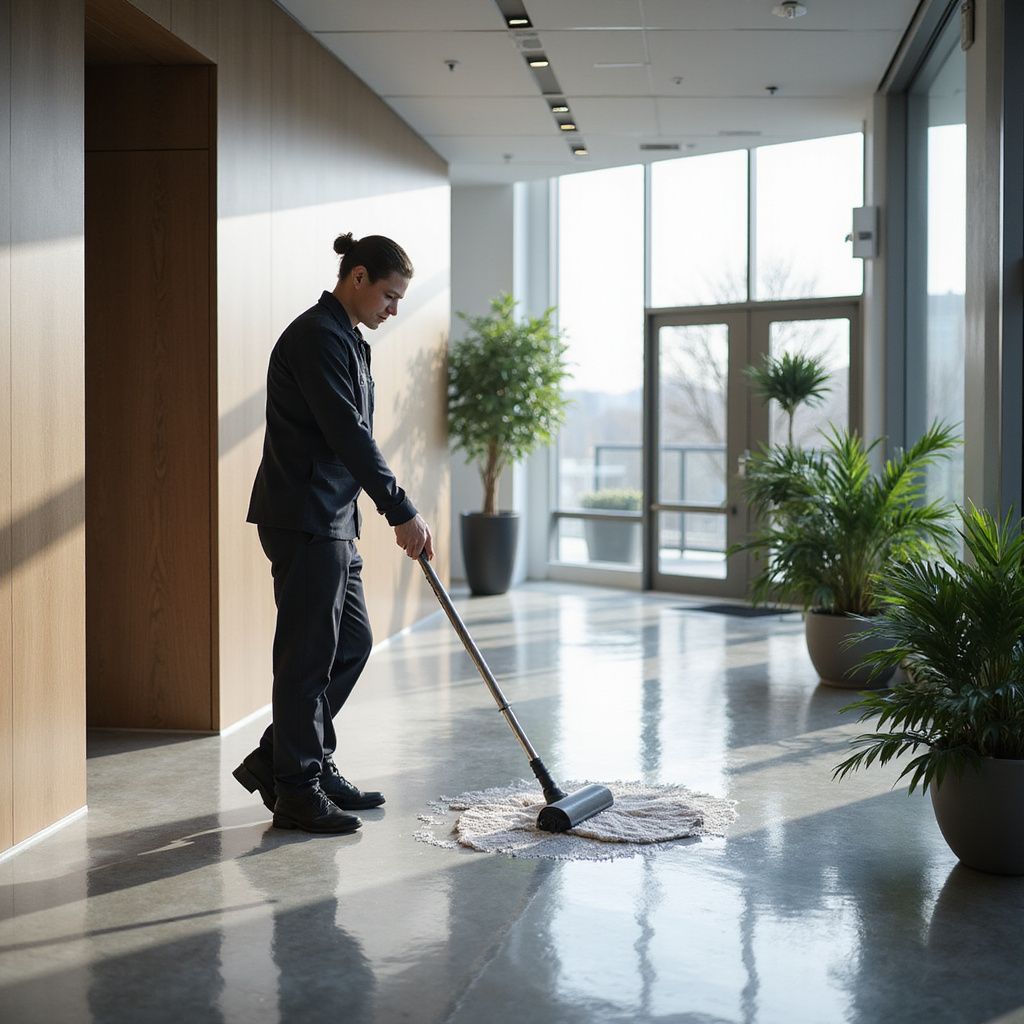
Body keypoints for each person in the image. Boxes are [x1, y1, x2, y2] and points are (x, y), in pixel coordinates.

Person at [233, 232, 433, 834]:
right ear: (359, 277)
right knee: (307, 659)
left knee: (351, 644)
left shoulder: (348, 338)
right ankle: (295, 789)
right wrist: (401, 508)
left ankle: (298, 762)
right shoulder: (317, 337)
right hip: (304, 519)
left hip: (334, 520)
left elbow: (351, 441)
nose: (393, 310)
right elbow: (349, 434)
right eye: (390, 296)